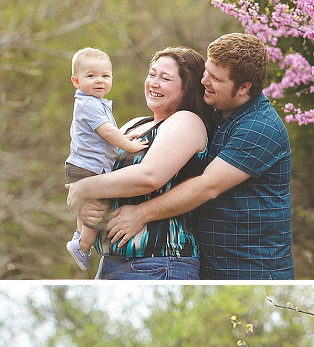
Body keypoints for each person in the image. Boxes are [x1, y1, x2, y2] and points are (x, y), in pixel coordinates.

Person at [103, 34, 294, 280]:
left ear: (244, 87)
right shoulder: (217, 113)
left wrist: (141, 214)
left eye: (216, 78)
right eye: (206, 72)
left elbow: (207, 186)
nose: (204, 81)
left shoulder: (260, 127)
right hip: (208, 263)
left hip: (250, 268)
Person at [67, 47, 209, 281]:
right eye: (152, 74)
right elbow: (102, 175)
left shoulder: (186, 121)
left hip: (159, 260)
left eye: (165, 78)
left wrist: (82, 189)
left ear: (187, 85)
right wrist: (81, 204)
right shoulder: (134, 125)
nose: (154, 83)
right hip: (112, 261)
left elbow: (148, 177)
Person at [63, 47, 129, 271]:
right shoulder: (90, 104)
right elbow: (108, 133)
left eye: (105, 76)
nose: (99, 80)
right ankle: (83, 245)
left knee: (86, 204)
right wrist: (129, 144)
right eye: (91, 76)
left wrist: (125, 136)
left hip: (81, 164)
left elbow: (110, 132)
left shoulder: (93, 102)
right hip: (90, 166)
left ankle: (78, 234)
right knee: (98, 207)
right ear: (76, 81)